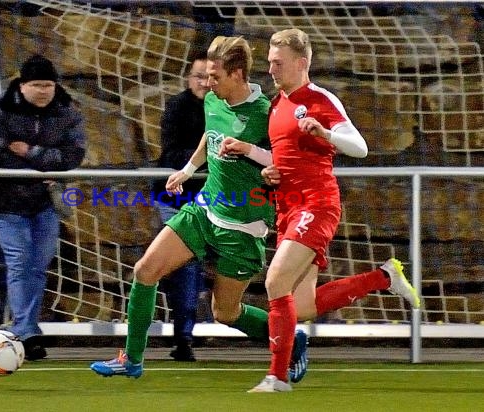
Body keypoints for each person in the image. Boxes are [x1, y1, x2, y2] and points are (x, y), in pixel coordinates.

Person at [218, 28, 421, 392]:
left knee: (275, 281)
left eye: (278, 63)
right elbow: (284, 160)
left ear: (301, 63)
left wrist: (325, 134)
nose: (272, 70)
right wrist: (256, 156)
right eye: (269, 63)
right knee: (303, 305)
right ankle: (384, 277)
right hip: (288, 207)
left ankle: (277, 377)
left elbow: (359, 147)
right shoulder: (278, 105)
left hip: (316, 204)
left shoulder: (318, 99)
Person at [90, 35, 288, 378]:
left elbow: (285, 163)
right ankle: (131, 360)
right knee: (145, 270)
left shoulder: (266, 112)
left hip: (242, 225)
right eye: (206, 76)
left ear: (238, 74)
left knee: (225, 313)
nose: (207, 84)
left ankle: (291, 338)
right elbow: (209, 134)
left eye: (215, 76)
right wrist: (187, 170)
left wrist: (249, 151)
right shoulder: (213, 99)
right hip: (204, 209)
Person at [0, 54, 86, 360]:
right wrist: (44, 162)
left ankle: (26, 328)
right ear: (23, 85)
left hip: (46, 201)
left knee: (37, 267)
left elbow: (71, 157)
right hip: (6, 200)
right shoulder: (0, 109)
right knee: (19, 262)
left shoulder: (68, 113)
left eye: (48, 85)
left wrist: (30, 151)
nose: (43, 91)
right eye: (37, 85)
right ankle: (26, 332)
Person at [154, 52, 211, 362]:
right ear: (189, 79)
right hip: (177, 198)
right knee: (183, 266)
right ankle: (183, 337)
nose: (203, 83)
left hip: (217, 200)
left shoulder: (226, 108)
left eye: (209, 77)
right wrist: (211, 156)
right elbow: (172, 153)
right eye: (198, 76)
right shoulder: (177, 107)